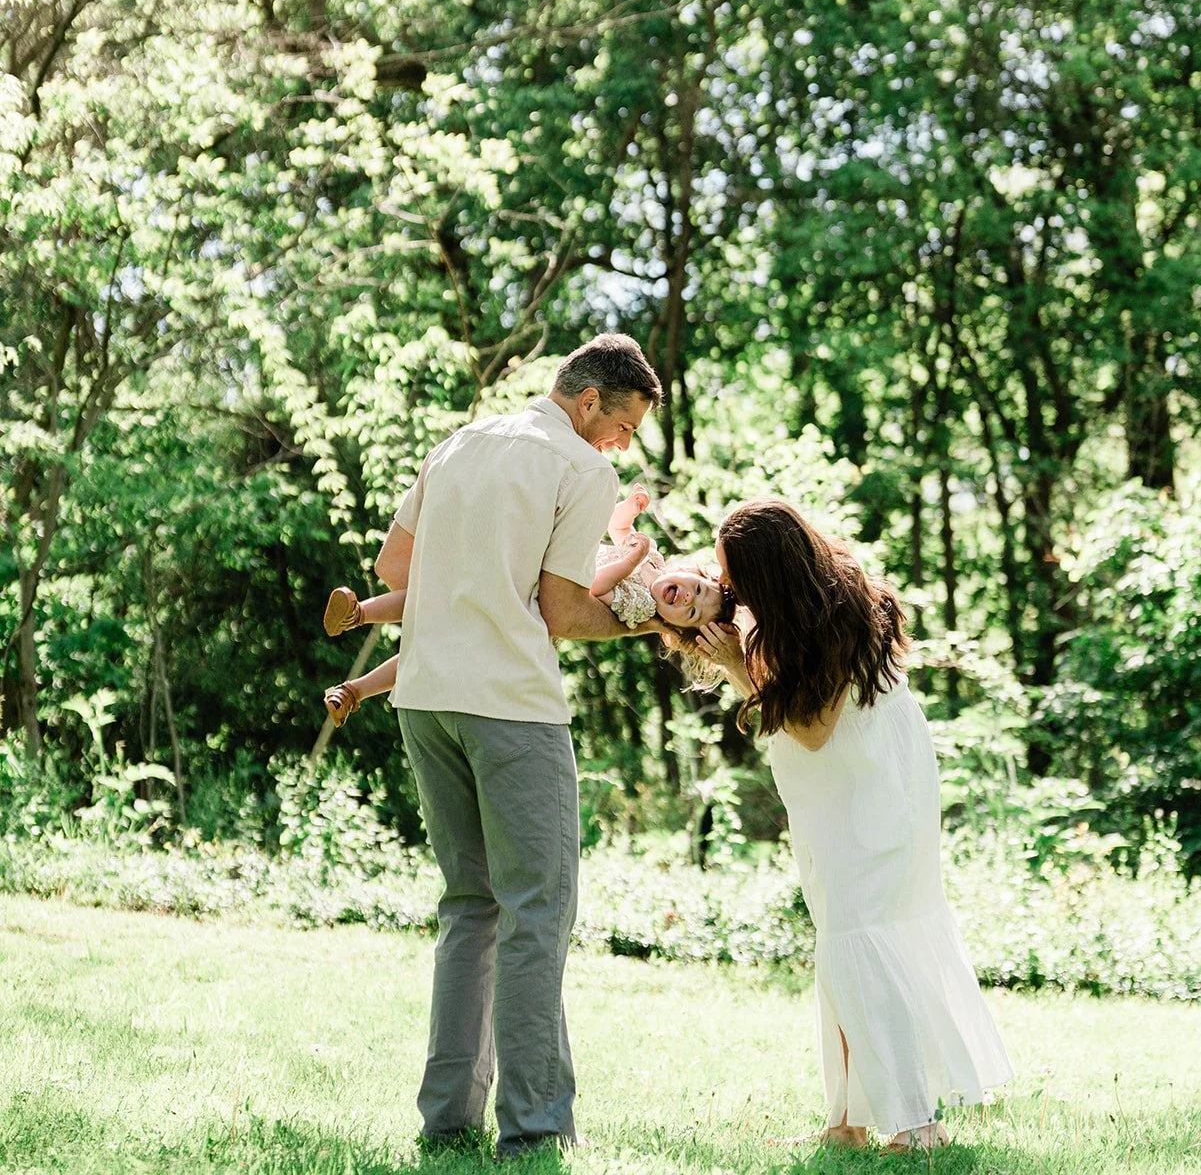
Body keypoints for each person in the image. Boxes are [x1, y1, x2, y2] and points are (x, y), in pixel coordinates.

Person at [334, 335, 666, 1158]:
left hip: (425, 702)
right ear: (589, 402)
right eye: (622, 425)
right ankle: (535, 1127)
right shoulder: (581, 469)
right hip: (511, 708)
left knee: (468, 909)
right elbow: (560, 613)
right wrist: (645, 618)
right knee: (535, 914)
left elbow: (393, 563)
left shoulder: (461, 443)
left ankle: (448, 1123)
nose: (621, 444)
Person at [686, 499, 1013, 1154]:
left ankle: (917, 1123)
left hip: (866, 793)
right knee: (848, 941)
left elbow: (811, 730)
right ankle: (848, 1120)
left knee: (858, 939)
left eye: (734, 577)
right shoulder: (821, 598)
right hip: (845, 791)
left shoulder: (831, 617)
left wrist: (732, 668)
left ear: (769, 572)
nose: (728, 590)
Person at [321, 487, 734, 725]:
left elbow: (594, 585)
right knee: (435, 600)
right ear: (690, 571)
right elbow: (618, 527)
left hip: (526, 602)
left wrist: (628, 560)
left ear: (674, 626)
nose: (687, 598)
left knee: (434, 631)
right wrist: (630, 509)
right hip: (525, 573)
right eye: (696, 589)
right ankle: (356, 623)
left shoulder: (641, 609)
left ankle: (353, 684)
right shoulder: (653, 560)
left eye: (692, 612)